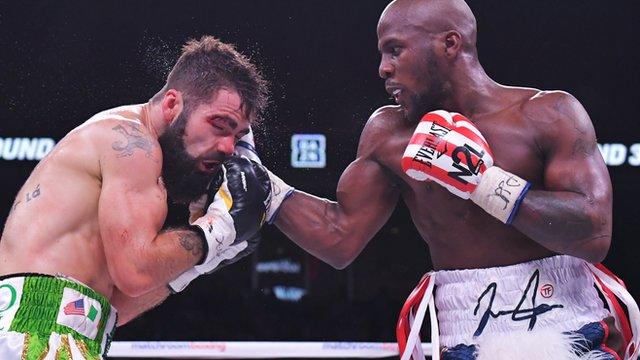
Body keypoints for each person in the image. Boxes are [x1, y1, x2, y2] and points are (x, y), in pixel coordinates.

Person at [261, 0, 639, 359]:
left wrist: (484, 183)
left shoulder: (549, 113)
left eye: (395, 50)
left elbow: (594, 234)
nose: (382, 68)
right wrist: (265, 188)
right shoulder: (389, 134)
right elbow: (339, 237)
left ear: (450, 44)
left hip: (568, 326)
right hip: (464, 336)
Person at [0, 35, 271, 359]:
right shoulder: (131, 144)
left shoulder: (131, 160)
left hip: (53, 336)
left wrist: (206, 258)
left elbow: (114, 307)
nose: (227, 147)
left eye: (236, 135)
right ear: (172, 105)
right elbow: (136, 271)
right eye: (219, 125)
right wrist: (218, 228)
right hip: (36, 336)